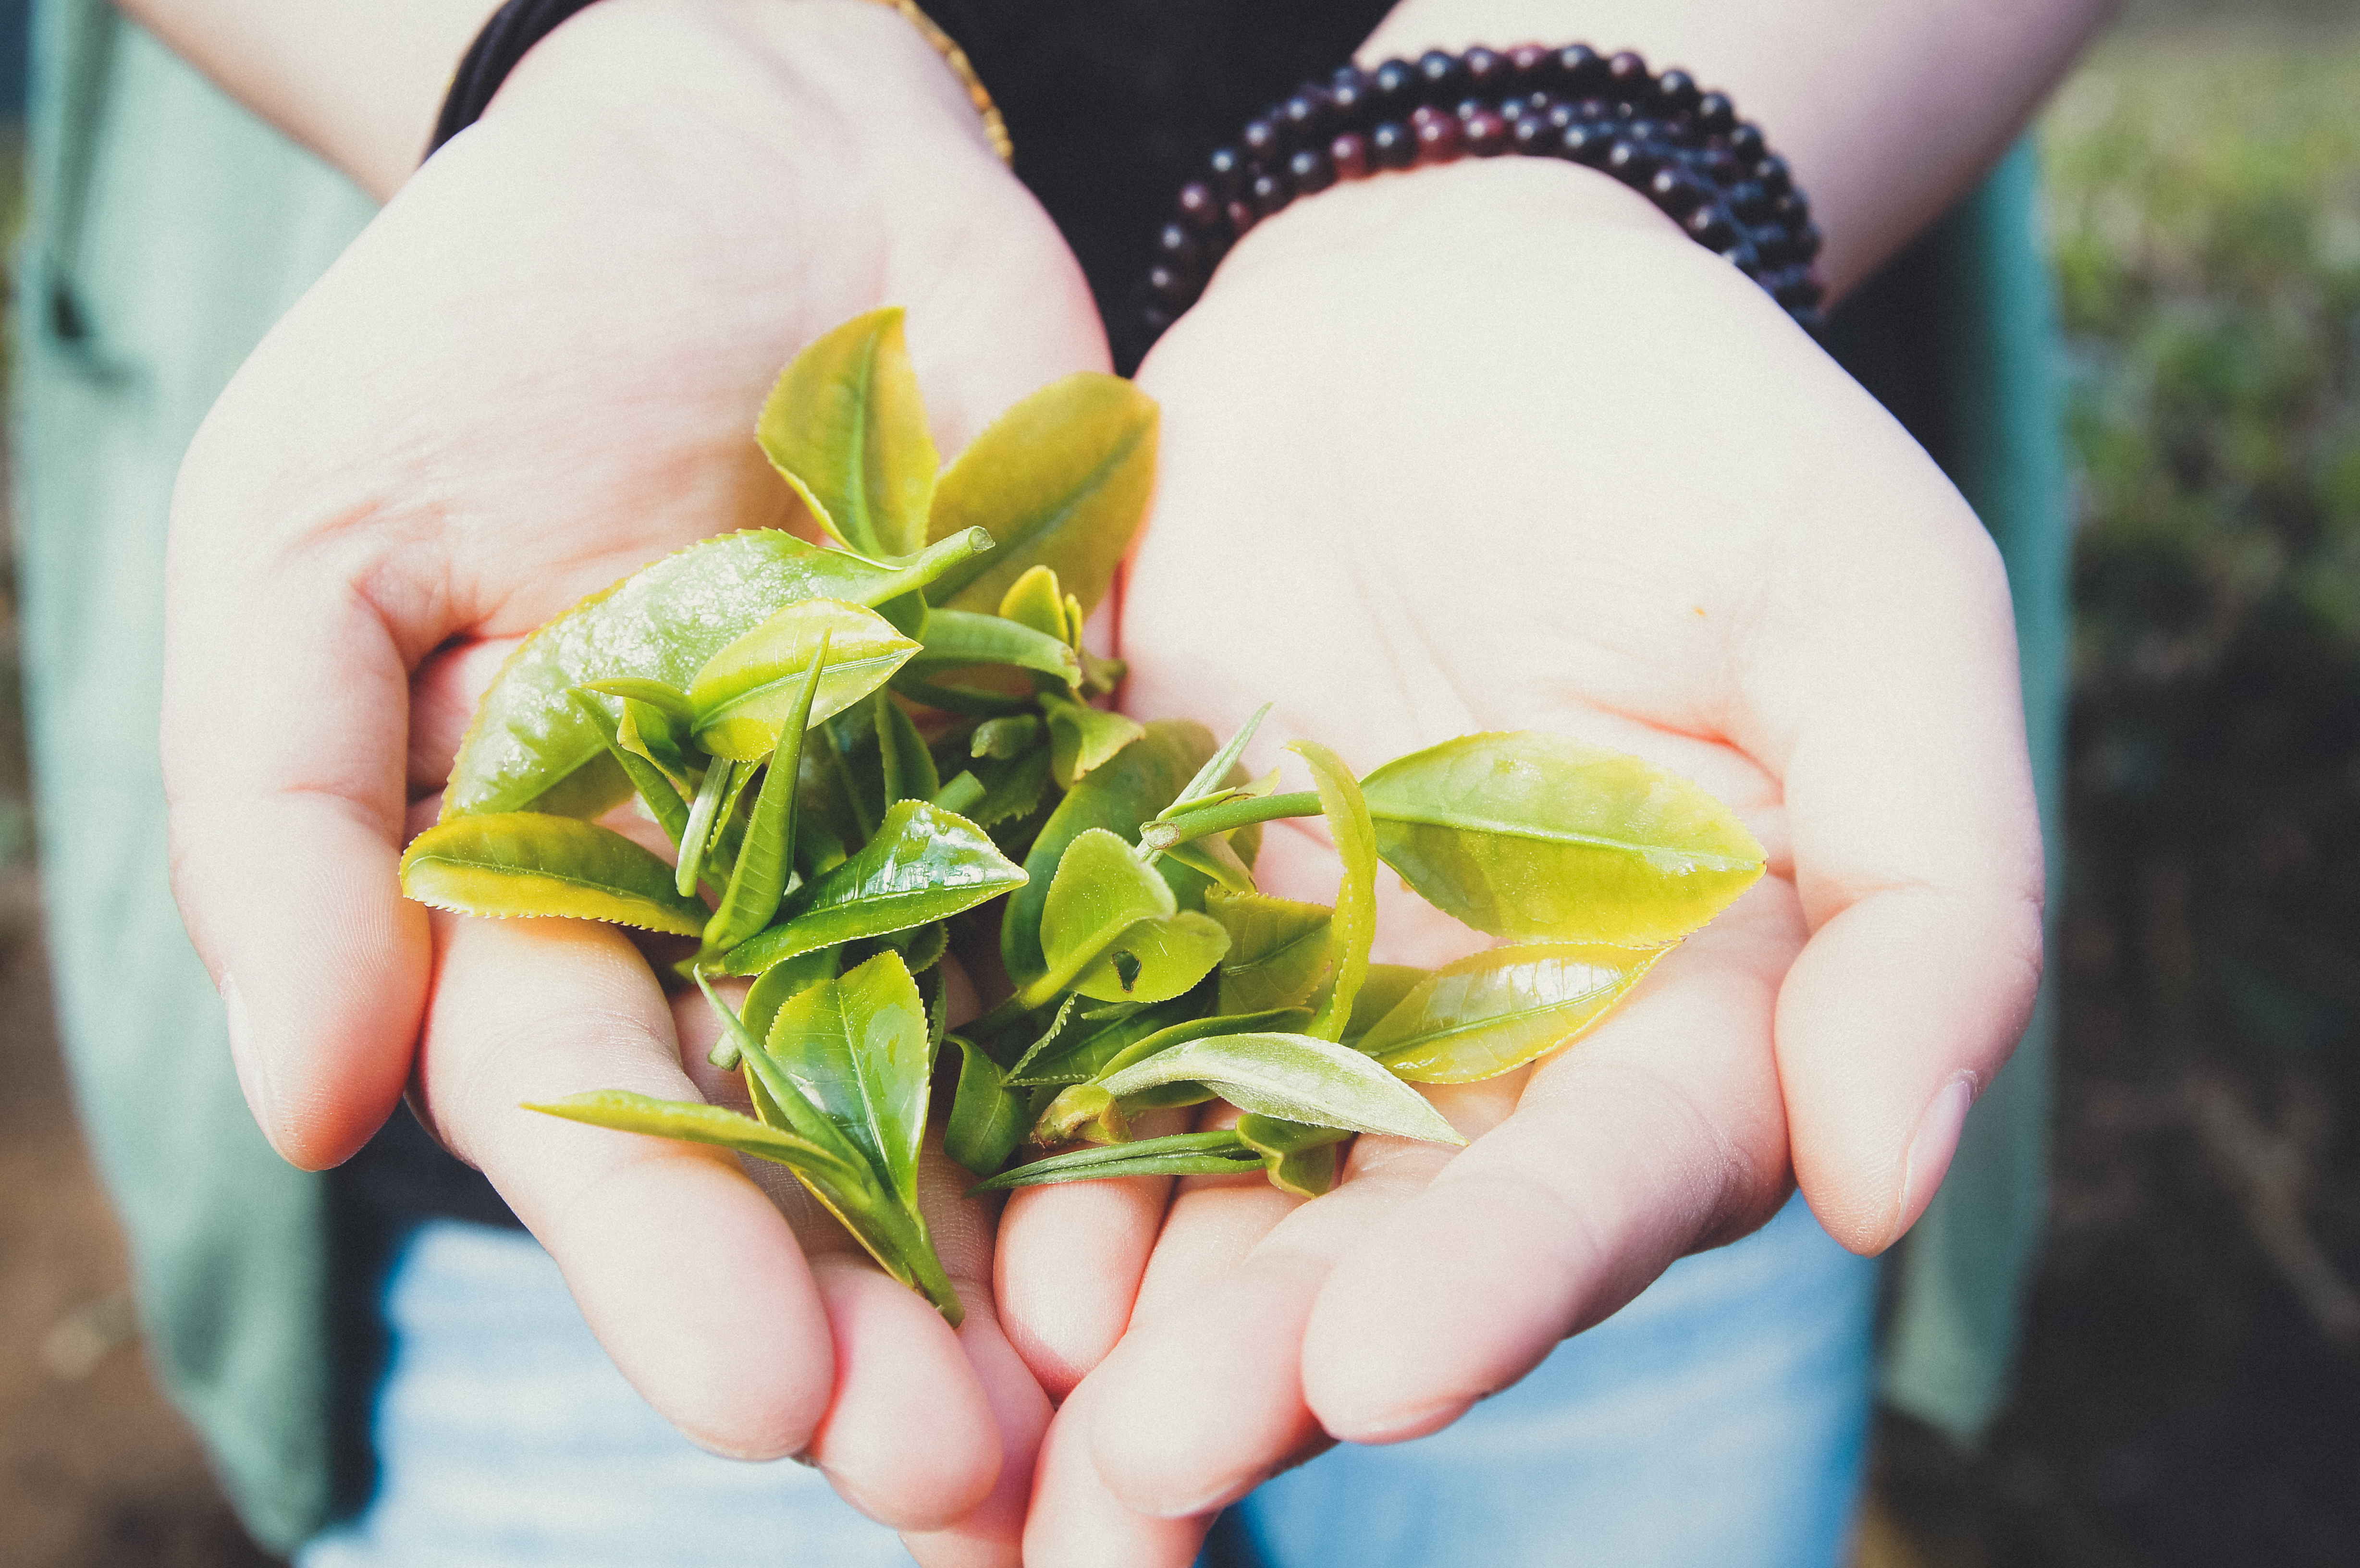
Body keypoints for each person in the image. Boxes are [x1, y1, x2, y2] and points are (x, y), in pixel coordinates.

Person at [15, 0, 2106, 1563]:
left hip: (1592, 758)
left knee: (1475, 1326)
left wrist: (1573, 129)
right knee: (755, 1368)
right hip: (654, 1138)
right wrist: (637, 44)